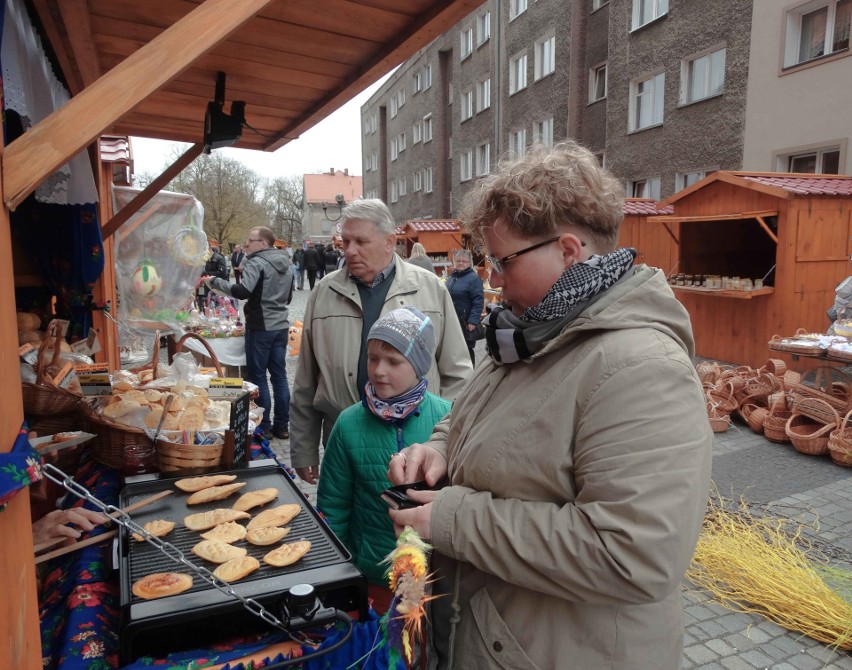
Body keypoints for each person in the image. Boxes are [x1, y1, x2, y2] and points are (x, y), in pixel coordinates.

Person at [387, 141, 713, 670]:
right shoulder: (529, 332)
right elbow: (480, 415)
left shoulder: (640, 368)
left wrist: (454, 519)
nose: (492, 278)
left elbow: (634, 554)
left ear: (567, 249)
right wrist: (440, 449)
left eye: (503, 261)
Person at [289, 198, 472, 485]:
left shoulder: (429, 288)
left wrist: (443, 439)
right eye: (345, 241)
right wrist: (303, 449)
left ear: (389, 241)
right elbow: (306, 381)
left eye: (361, 241)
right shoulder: (324, 292)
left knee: (414, 527)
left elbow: (458, 373)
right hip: (345, 443)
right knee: (344, 523)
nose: (350, 251)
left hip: (418, 446)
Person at [316, 307, 451, 614]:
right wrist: (335, 575)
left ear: (419, 365)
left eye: (393, 361)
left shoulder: (447, 419)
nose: (378, 370)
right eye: (373, 358)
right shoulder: (349, 424)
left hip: (433, 580)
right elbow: (333, 508)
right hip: (372, 577)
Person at [206, 226, 294, 439]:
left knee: (258, 377)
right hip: (281, 325)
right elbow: (289, 298)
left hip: (261, 326)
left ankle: (263, 427)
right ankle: (282, 426)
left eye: (250, 241)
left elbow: (243, 291)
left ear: (263, 243)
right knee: (280, 376)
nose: (247, 245)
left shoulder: (257, 262)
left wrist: (215, 282)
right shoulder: (287, 264)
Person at [445, 249, 484, 364]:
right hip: (453, 320)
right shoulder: (452, 277)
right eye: (458, 261)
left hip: (465, 321)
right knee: (454, 349)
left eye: (464, 261)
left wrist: (473, 320)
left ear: (469, 263)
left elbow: (478, 301)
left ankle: (469, 375)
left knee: (466, 349)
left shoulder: (473, 279)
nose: (461, 263)